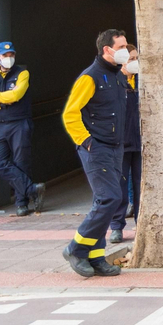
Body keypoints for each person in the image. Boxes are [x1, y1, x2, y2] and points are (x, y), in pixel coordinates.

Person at [61, 29, 131, 277]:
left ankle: (95, 256)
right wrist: (87, 141)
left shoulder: (117, 76)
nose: (126, 50)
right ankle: (75, 248)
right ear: (107, 50)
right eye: (121, 46)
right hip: (97, 147)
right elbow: (70, 113)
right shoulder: (90, 77)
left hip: (115, 147)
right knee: (111, 198)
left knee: (105, 202)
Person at [0, 40, 45, 218]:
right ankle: (32, 189)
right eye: (5, 55)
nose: (9, 58)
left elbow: (16, 95)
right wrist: (4, 101)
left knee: (21, 162)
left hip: (19, 123)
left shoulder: (22, 73)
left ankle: (21, 203)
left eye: (11, 55)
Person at [113, 45, 145, 243]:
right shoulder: (115, 82)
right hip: (121, 144)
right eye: (130, 58)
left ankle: (141, 226)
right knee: (120, 187)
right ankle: (117, 226)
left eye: (136, 58)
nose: (134, 62)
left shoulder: (143, 82)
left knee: (141, 187)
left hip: (141, 143)